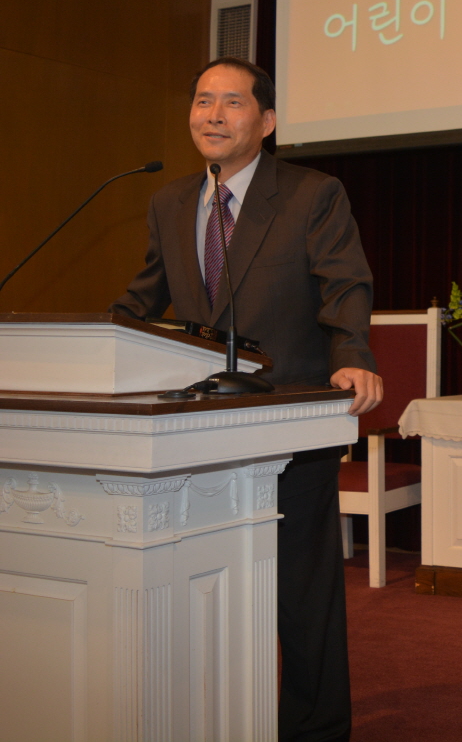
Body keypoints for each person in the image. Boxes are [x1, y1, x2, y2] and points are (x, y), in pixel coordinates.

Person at [111, 56, 383, 742]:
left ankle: (316, 728)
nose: (213, 114)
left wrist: (352, 356)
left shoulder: (312, 194)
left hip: (287, 417)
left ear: (266, 121)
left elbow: (344, 284)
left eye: (232, 102)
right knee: (204, 579)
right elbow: (143, 302)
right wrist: (92, 349)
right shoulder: (171, 202)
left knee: (302, 593)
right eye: (203, 100)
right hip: (198, 426)